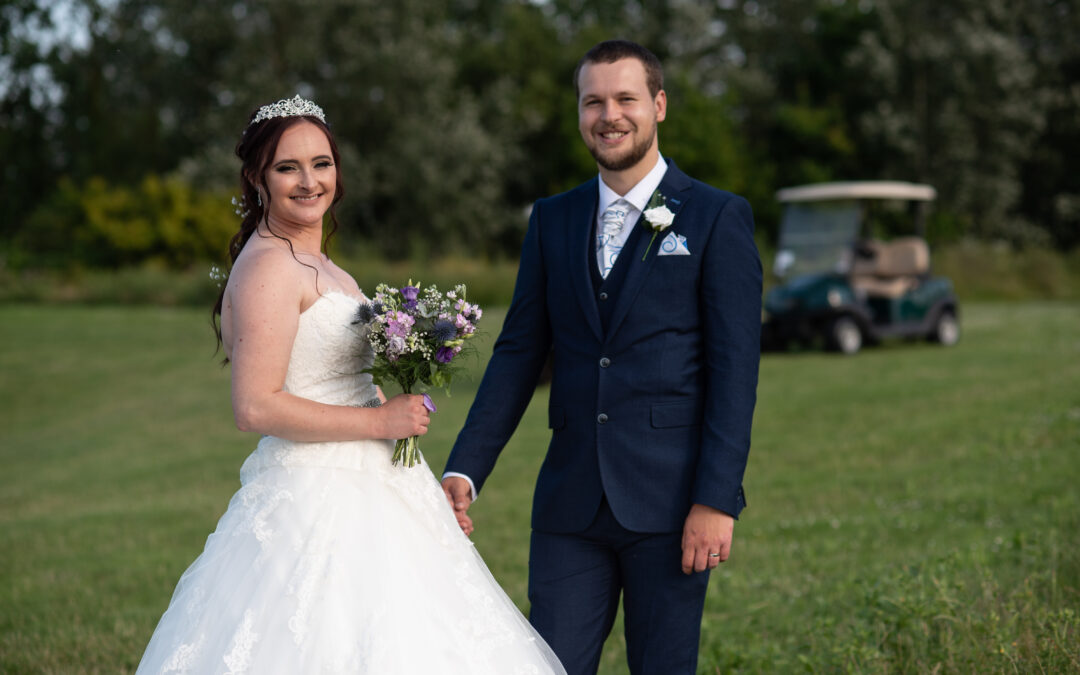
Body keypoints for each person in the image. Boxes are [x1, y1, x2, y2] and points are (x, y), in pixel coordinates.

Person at [136, 95, 565, 674]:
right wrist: (380, 422)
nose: (309, 181)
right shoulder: (269, 267)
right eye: (288, 167)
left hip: (379, 480)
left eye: (322, 163)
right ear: (257, 178)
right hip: (316, 496)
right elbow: (255, 405)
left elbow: (351, 382)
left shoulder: (325, 265)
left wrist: (416, 478)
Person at [442, 40, 762, 674]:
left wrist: (716, 500)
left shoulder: (718, 216)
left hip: (673, 507)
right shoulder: (552, 220)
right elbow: (517, 353)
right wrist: (465, 470)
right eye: (594, 101)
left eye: (625, 99)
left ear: (659, 106)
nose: (609, 115)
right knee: (549, 666)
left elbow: (735, 374)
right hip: (570, 504)